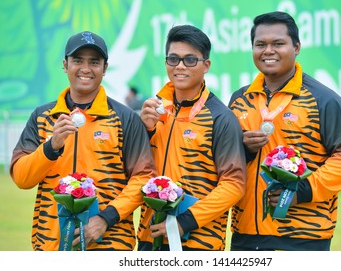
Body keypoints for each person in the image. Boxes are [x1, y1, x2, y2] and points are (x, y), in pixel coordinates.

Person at [228, 11, 341, 251]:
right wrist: (244, 149)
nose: (268, 51)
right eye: (260, 44)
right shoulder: (240, 99)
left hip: (304, 235)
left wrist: (300, 191)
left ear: (297, 47)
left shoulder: (323, 99)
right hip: (246, 233)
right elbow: (226, 161)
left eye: (278, 43)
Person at [10, 31, 157, 251]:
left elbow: (143, 179)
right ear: (65, 64)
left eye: (94, 62)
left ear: (105, 68)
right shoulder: (42, 117)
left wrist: (105, 219)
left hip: (110, 245)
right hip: (51, 245)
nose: (86, 69)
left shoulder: (125, 118)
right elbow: (22, 178)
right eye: (78, 60)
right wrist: (51, 147)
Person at [137, 24, 246, 251]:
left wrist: (184, 222)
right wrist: (145, 131)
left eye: (190, 60)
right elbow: (136, 173)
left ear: (206, 65)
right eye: (173, 59)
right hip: (150, 237)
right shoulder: (153, 111)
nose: (180, 67)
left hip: (198, 242)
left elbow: (234, 185)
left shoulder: (221, 117)